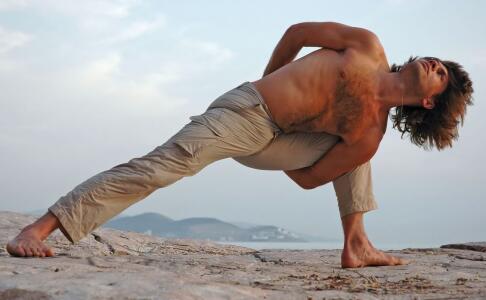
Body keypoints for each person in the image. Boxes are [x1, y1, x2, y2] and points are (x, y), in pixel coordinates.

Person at [6, 22, 473, 268]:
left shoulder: (370, 135)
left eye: (442, 73)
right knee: (162, 166)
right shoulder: (367, 46)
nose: (434, 63)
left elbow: (310, 179)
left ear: (430, 101)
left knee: (359, 150)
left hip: (280, 144)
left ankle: (357, 246)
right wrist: (271, 82)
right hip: (247, 113)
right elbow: (298, 33)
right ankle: (43, 229)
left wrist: (309, 147)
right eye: (436, 61)